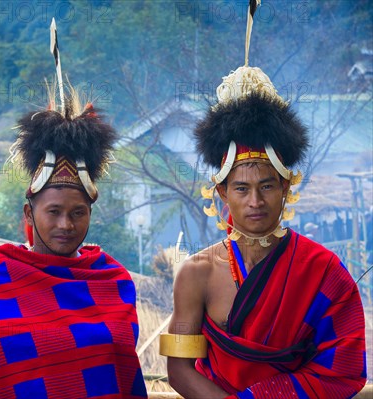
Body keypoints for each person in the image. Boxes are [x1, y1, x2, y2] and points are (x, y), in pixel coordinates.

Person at [160, 2, 367, 398]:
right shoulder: (196, 273)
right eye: (241, 188)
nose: (256, 200)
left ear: (287, 187)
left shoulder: (323, 272)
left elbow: (342, 369)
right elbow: (180, 372)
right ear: (221, 193)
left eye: (268, 186)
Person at [0, 20, 147, 399]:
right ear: (28, 214)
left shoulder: (114, 284)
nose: (66, 224)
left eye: (78, 212)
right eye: (53, 211)